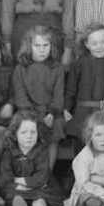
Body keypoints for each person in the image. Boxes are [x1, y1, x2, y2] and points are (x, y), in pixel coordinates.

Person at [64, 23, 104, 153]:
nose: (99, 46)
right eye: (94, 43)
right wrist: (67, 108)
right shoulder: (79, 63)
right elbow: (71, 88)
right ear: (87, 44)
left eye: (103, 42)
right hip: (82, 112)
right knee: (82, 147)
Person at [12, 25, 66, 170]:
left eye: (45, 45)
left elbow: (58, 95)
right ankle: (29, 172)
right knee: (28, 127)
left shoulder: (57, 67)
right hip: (28, 112)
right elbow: (21, 97)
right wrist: (33, 116)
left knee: (56, 126)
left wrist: (52, 113)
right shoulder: (21, 68)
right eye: (37, 46)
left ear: (51, 46)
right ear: (29, 46)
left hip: (50, 113)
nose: (42, 50)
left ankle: (48, 173)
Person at [0, 111, 65, 206]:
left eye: (33, 132)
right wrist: (21, 186)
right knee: (16, 198)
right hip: (16, 191)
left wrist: (20, 181)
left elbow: (41, 177)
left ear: (38, 133)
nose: (29, 136)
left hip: (40, 188)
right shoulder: (9, 152)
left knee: (39, 199)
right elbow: (5, 178)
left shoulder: (41, 150)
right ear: (15, 134)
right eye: (24, 132)